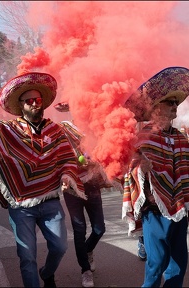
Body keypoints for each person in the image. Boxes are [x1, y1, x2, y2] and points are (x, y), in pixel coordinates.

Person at [0, 72, 87, 288]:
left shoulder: (55, 131)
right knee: (27, 255)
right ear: (21, 105)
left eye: (38, 100)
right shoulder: (10, 130)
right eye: (29, 101)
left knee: (60, 247)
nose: (34, 104)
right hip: (21, 205)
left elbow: (68, 158)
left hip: (50, 201)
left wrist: (67, 176)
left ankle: (47, 273)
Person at [123, 67, 189, 287]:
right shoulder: (143, 136)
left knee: (179, 264)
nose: (175, 107)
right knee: (157, 263)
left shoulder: (180, 138)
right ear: (155, 107)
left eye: (176, 103)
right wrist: (140, 168)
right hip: (154, 211)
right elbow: (129, 169)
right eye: (170, 102)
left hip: (179, 208)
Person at [54, 102, 108, 288]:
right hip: (71, 187)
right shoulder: (63, 129)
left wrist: (97, 160)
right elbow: (56, 155)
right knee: (79, 230)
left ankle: (87, 251)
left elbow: (105, 151)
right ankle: (85, 271)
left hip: (92, 184)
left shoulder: (95, 129)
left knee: (100, 229)